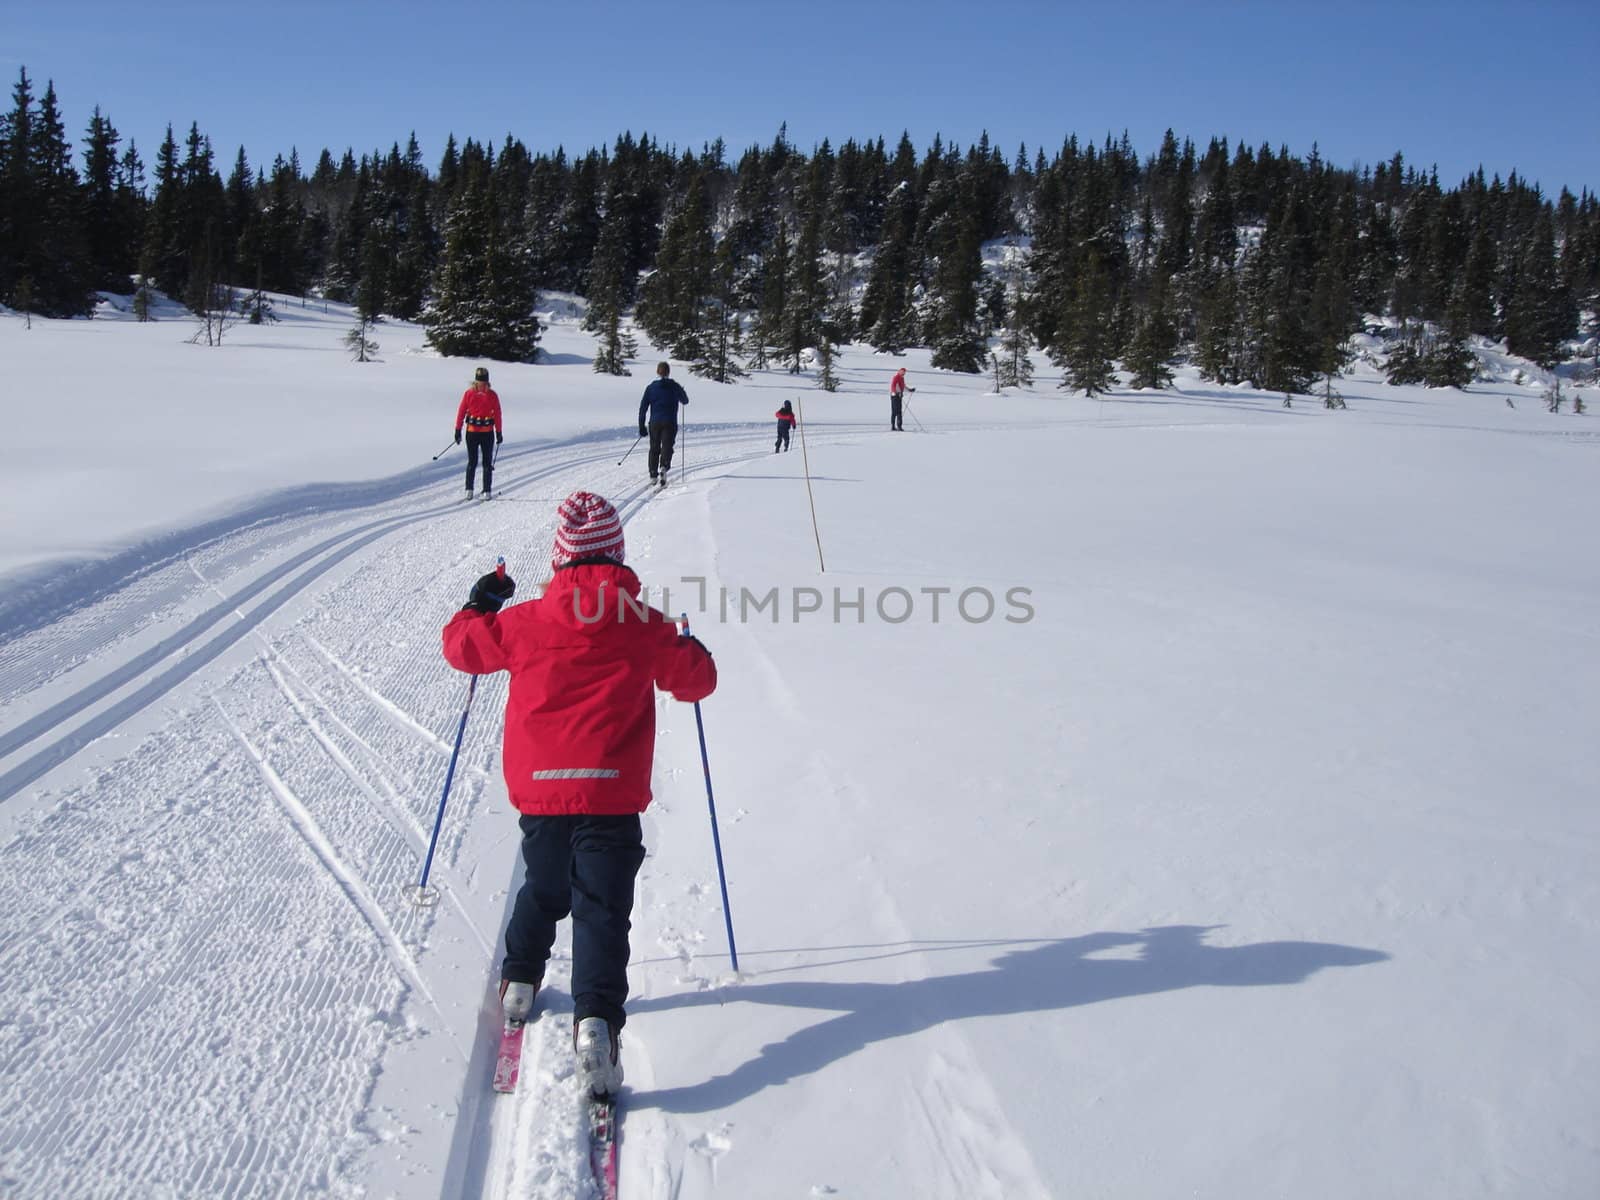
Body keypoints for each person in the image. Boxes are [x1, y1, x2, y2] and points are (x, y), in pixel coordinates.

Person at [441, 491, 717, 1097]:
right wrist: (689, 645)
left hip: (541, 797)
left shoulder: (526, 621)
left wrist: (478, 602)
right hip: (613, 798)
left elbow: (461, 646)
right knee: (602, 911)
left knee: (543, 886)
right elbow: (697, 681)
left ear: (560, 561)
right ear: (617, 558)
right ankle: (595, 1023)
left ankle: (519, 980)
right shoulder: (642, 623)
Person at [454, 366, 504, 498]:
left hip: (485, 433)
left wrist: (498, 431)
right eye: (480, 383)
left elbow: (498, 414)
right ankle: (469, 489)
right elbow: (461, 411)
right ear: (476, 382)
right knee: (473, 461)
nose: (482, 386)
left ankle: (486, 490)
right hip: (473, 432)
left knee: (486, 462)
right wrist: (458, 429)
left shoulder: (491, 395)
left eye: (484, 383)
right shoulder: (469, 394)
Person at [638, 361, 689, 487]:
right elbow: (685, 401)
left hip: (654, 422)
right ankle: (664, 467)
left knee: (654, 448)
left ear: (657, 372)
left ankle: (653, 474)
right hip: (670, 421)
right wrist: (681, 391)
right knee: (667, 445)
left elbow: (643, 407)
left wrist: (641, 425)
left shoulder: (650, 388)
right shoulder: (674, 386)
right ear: (668, 372)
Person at [889, 366, 915, 431]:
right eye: (902, 372)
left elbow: (903, 386)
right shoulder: (896, 377)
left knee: (899, 412)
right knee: (894, 412)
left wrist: (910, 390)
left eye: (904, 372)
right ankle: (893, 426)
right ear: (899, 372)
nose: (903, 373)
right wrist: (897, 393)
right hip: (894, 396)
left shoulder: (902, 378)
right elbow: (894, 386)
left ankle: (899, 426)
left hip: (899, 396)